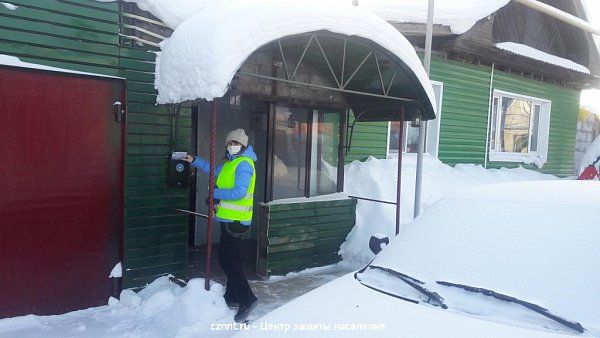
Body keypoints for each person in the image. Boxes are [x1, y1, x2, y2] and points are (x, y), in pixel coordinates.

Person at [184, 128, 258, 322]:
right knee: (234, 257)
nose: (232, 146)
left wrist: (214, 194)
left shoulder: (244, 164)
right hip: (229, 219)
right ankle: (233, 295)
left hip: (235, 220)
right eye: (230, 143)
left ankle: (247, 299)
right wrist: (195, 161)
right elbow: (213, 170)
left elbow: (239, 192)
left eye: (236, 143)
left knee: (226, 259)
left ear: (243, 145)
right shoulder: (230, 164)